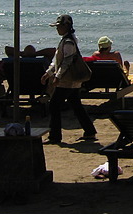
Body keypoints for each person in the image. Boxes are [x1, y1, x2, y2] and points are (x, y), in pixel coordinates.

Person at [41, 14, 96, 144]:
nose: (57, 29)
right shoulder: (68, 40)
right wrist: (48, 73)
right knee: (76, 105)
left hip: (67, 81)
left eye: (59, 26)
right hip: (72, 81)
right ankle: (89, 132)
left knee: (54, 105)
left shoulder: (68, 42)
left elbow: (66, 61)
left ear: (66, 26)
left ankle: (55, 136)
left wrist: (57, 76)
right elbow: (58, 61)